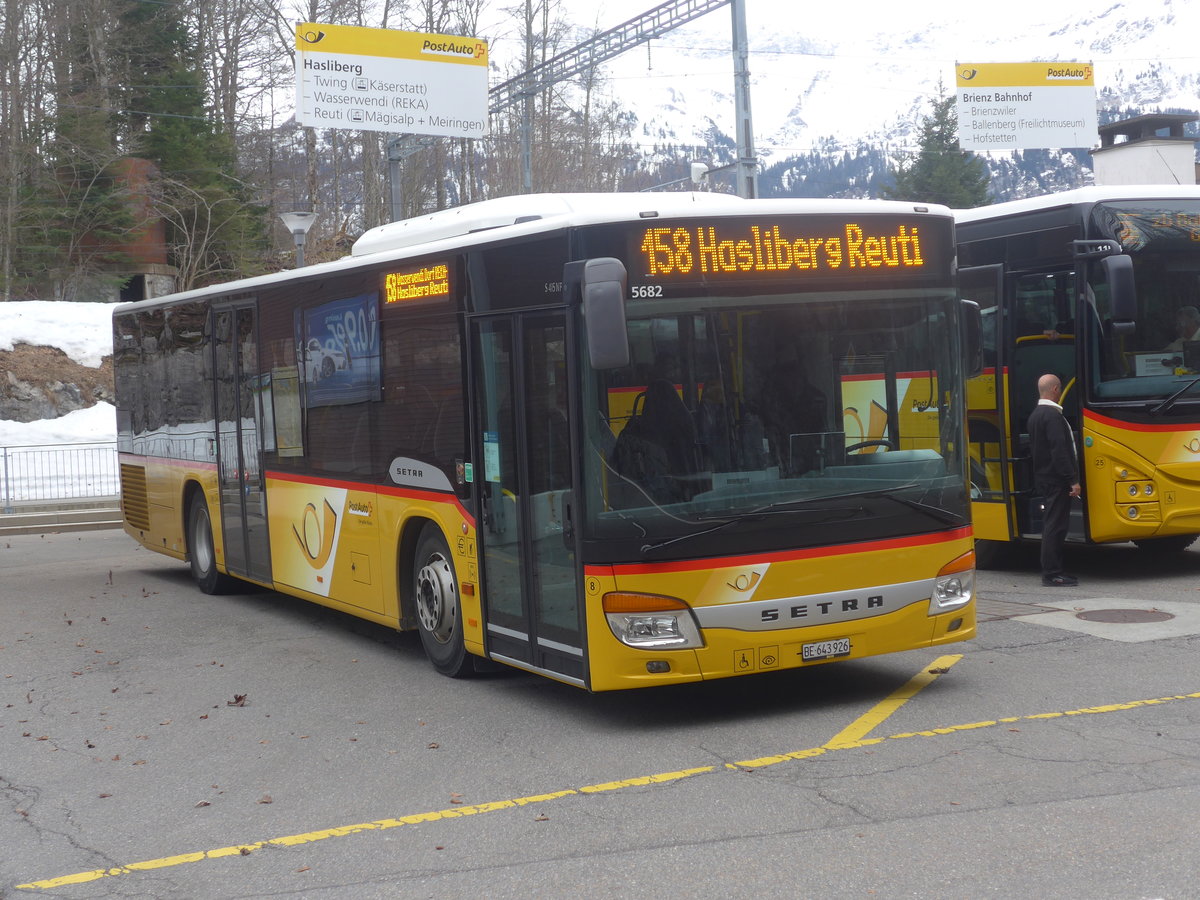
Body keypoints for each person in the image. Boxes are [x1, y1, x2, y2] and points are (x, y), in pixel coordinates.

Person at [1027, 374, 1081, 586]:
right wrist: (1072, 479)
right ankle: (1052, 573)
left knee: (1052, 524)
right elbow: (1060, 451)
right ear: (1056, 389)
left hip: (1045, 477)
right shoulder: (1052, 416)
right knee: (1055, 526)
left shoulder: (1035, 415)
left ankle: (1053, 571)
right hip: (1056, 479)